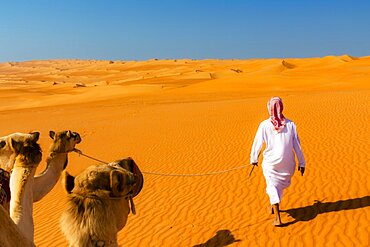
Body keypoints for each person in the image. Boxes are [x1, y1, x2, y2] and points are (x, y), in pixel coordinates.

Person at [250, 96, 305, 226]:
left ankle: (278, 218)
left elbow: (257, 143)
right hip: (288, 164)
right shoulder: (291, 124)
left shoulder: (264, 125)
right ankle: (272, 206)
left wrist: (254, 158)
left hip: (271, 163)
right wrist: (302, 163)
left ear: (269, 108)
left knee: (272, 185)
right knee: (276, 185)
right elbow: (297, 145)